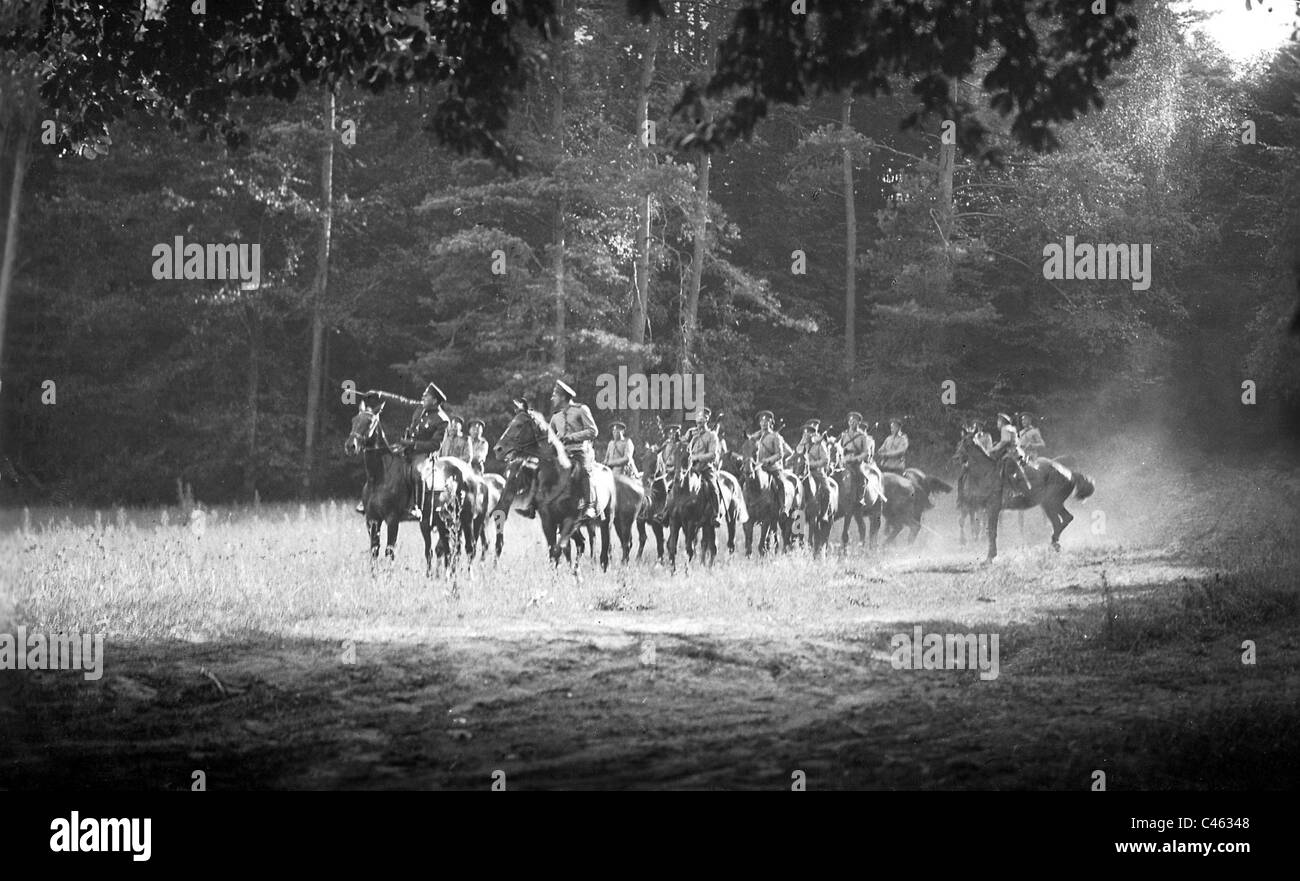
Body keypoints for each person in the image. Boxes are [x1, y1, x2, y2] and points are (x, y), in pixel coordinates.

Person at [357, 382, 451, 519]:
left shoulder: (442, 420)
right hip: (406, 448)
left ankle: (416, 507)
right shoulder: (420, 407)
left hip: (424, 455)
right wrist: (380, 394)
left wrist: (412, 444)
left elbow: (435, 445)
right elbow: (400, 401)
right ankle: (369, 500)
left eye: (426, 395)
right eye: (424, 395)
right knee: (382, 460)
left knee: (416, 473)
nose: (423, 397)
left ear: (435, 400)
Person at [549, 379, 599, 520]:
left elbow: (593, 431)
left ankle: (589, 505)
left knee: (583, 470)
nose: (552, 398)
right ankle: (536, 504)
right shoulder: (555, 417)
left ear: (563, 397)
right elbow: (549, 438)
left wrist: (572, 437)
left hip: (578, 451)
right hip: (561, 455)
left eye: (555, 395)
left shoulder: (581, 409)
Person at [685, 407, 726, 526]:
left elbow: (713, 454)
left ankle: (716, 514)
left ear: (707, 420)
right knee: (675, 484)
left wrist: (698, 457)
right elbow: (684, 446)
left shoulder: (712, 435)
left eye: (702, 420)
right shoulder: (692, 434)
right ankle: (667, 512)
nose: (699, 422)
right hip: (691, 468)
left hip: (705, 468)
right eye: (698, 419)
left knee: (713, 487)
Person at [753, 410, 793, 511]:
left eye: (767, 421)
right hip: (757, 467)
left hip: (772, 467)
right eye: (762, 421)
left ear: (771, 423)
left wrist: (768, 460)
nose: (764, 423)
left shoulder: (776, 437)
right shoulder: (755, 437)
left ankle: (783, 507)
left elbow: (780, 454)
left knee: (780, 483)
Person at [839, 410, 875, 506]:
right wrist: (842, 457)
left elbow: (865, 452)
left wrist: (857, 458)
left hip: (856, 462)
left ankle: (860, 498)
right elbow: (840, 448)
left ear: (859, 423)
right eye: (850, 421)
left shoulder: (862, 436)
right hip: (845, 461)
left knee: (862, 476)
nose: (852, 423)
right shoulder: (844, 435)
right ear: (848, 422)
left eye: (854, 421)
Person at [988, 412, 1029, 491]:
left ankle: (1016, 492)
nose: (997, 423)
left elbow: (1005, 441)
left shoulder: (1005, 428)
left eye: (998, 421)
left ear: (1002, 422)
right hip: (1017, 452)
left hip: (1012, 454)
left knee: (1008, 473)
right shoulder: (1011, 428)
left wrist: (993, 449)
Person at [797, 419, 832, 503]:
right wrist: (802, 442)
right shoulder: (803, 444)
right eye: (805, 433)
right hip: (802, 472)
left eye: (809, 432)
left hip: (817, 472)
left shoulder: (820, 444)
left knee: (827, 491)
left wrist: (811, 464)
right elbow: (798, 451)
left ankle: (824, 514)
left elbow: (825, 460)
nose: (806, 435)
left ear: (813, 433)